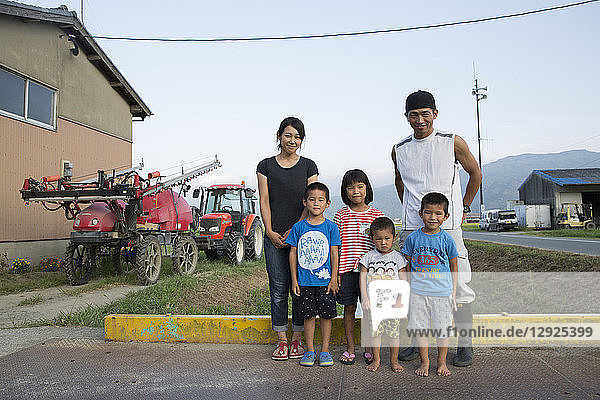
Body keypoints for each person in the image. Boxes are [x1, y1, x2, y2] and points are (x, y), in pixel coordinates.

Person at [392, 90, 482, 367]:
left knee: (458, 283)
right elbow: (399, 182)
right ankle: (415, 342)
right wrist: (412, 212)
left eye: (425, 114)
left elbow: (475, 173)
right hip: (412, 228)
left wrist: (463, 206)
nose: (420, 120)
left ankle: (464, 345)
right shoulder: (399, 149)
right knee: (412, 286)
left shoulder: (451, 142)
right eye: (414, 115)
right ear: (406, 117)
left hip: (448, 227)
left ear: (435, 114)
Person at [257, 116, 318, 361]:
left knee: (300, 289)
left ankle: (297, 340)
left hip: (302, 237)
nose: (292, 141)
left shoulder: (309, 166)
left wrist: (295, 230)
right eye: (288, 135)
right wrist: (269, 231)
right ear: (279, 136)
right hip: (274, 237)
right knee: (279, 289)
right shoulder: (265, 165)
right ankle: (282, 340)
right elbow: (264, 200)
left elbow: (311, 200)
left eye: (297, 137)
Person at [402, 193, 458, 377]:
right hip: (418, 293)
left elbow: (454, 267)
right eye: (428, 213)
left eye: (438, 214)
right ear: (420, 213)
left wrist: (453, 292)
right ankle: (424, 362)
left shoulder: (447, 240)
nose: (433, 217)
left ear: (446, 216)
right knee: (421, 329)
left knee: (442, 330)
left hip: (442, 293)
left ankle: (441, 362)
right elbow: (407, 265)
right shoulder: (413, 239)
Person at [333, 169, 384, 366]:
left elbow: (383, 246)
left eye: (360, 187)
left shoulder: (376, 215)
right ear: (345, 191)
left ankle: (370, 348)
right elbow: (335, 247)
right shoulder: (341, 215)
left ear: (367, 189)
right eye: (351, 187)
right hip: (346, 271)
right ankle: (351, 348)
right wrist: (335, 273)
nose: (356, 191)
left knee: (370, 311)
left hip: (370, 274)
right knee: (349, 308)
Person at [287, 182, 340, 367]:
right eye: (312, 199)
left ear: (328, 203)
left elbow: (334, 253)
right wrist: (294, 279)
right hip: (304, 282)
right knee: (308, 317)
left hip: (326, 283)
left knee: (326, 317)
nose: (316, 203)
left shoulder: (332, 228)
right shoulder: (298, 228)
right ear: (304, 202)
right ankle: (309, 350)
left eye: (320, 200)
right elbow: (292, 253)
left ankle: (324, 351)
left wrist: (334, 279)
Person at [358, 217, 407, 373]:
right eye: (378, 239)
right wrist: (365, 297)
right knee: (375, 333)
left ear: (393, 237)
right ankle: (376, 359)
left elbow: (404, 281)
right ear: (372, 238)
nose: (383, 242)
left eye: (387, 238)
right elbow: (362, 278)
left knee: (393, 334)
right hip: (374, 304)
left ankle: (394, 360)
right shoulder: (368, 257)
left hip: (392, 305)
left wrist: (400, 299)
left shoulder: (398, 258)